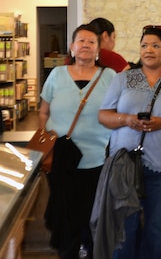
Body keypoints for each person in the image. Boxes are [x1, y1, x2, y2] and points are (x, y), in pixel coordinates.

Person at [98, 25, 161, 259]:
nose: (149, 50)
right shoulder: (124, 79)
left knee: (158, 229)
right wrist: (126, 119)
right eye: (144, 45)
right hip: (124, 167)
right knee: (124, 228)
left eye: (156, 45)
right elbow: (104, 115)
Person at [39, 23, 116, 258]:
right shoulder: (56, 75)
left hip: (96, 161)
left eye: (91, 42)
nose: (85, 45)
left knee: (92, 217)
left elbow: (117, 112)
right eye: (80, 41)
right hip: (60, 160)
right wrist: (43, 147)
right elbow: (43, 112)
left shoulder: (110, 77)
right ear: (71, 47)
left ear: (98, 50)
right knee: (65, 216)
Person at [65, 17, 130, 72]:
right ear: (105, 36)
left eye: (91, 42)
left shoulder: (69, 60)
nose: (86, 45)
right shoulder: (114, 59)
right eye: (113, 37)